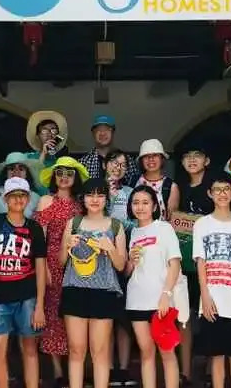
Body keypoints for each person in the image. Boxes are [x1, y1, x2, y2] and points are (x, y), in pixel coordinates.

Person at [59, 178, 127, 388]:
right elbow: (61, 261)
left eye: (100, 195)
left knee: (100, 351)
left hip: (104, 292)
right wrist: (67, 245)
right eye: (90, 195)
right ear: (83, 198)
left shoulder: (116, 225)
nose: (95, 199)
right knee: (76, 350)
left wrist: (110, 248)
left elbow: (121, 265)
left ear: (107, 199)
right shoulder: (73, 223)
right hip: (74, 290)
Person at [192, 172, 231, 388]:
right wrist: (204, 296)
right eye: (217, 190)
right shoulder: (202, 224)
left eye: (226, 189)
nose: (222, 194)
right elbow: (201, 262)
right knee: (216, 355)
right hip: (213, 298)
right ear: (210, 193)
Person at [0, 177, 47, 388]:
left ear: (28, 199)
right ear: (5, 199)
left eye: (22, 195)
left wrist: (40, 306)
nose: (18, 199)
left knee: (29, 348)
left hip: (27, 296)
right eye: (13, 195)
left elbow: (40, 268)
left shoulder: (34, 228)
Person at [33, 157, 87, 388]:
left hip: (78, 265)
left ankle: (73, 368)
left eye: (69, 173)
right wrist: (44, 267)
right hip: (52, 263)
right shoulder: (46, 200)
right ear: (53, 177)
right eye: (60, 173)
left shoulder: (80, 205)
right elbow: (40, 238)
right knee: (53, 315)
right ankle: (57, 371)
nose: (64, 177)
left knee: (73, 316)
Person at [125, 185, 182, 388]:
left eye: (145, 202)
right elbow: (127, 271)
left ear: (155, 206)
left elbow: (175, 263)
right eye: (136, 203)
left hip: (161, 300)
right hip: (136, 299)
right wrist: (131, 261)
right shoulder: (132, 232)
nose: (140, 207)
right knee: (146, 352)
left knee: (167, 352)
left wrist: (166, 294)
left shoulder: (164, 228)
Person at [177, 146, 214, 386]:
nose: (192, 160)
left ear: (206, 160)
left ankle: (211, 370)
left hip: (211, 260)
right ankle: (185, 373)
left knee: (212, 312)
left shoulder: (214, 188)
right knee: (185, 316)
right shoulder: (178, 189)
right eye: (187, 157)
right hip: (185, 261)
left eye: (197, 156)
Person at [103, 150, 135, 386]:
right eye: (114, 162)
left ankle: (123, 369)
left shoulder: (130, 192)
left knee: (123, 317)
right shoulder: (96, 189)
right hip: (98, 261)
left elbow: (135, 221)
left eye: (123, 164)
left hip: (124, 257)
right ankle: (106, 368)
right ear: (106, 164)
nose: (118, 167)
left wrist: (120, 224)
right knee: (105, 317)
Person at [79, 115, 140, 186]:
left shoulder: (127, 160)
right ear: (93, 133)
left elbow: (135, 187)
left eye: (107, 129)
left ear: (113, 132)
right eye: (98, 130)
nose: (102, 133)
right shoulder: (84, 162)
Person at [0, 152, 43, 219]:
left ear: (27, 174)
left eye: (21, 169)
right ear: (5, 173)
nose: (16, 172)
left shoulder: (36, 198)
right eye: (12, 169)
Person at [136, 139, 179, 221]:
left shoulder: (171, 186)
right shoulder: (133, 181)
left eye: (155, 155)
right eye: (146, 156)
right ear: (141, 160)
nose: (151, 159)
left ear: (162, 159)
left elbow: (172, 220)